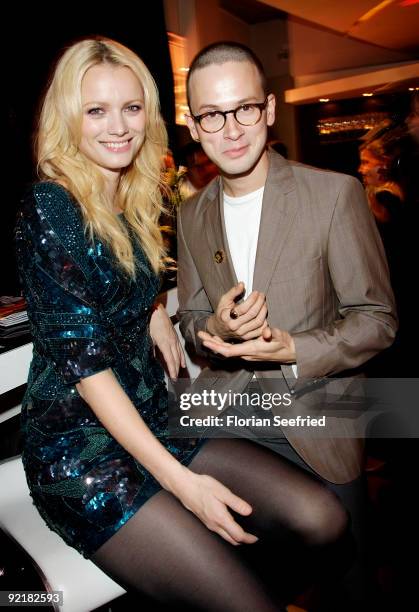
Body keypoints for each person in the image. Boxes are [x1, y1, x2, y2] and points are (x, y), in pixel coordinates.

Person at [14, 37, 350, 612]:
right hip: (83, 449)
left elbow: (116, 278)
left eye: (132, 107)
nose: (118, 126)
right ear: (69, 117)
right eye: (96, 110)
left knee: (323, 518)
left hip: (153, 412)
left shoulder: (136, 192)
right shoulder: (51, 205)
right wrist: (183, 485)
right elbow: (87, 369)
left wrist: (153, 315)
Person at [178, 41, 397, 610]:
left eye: (245, 108)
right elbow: (193, 321)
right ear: (194, 126)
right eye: (212, 115)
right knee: (244, 573)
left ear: (270, 109)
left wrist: (293, 348)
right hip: (232, 420)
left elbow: (377, 320)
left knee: (351, 582)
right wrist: (219, 329)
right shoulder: (191, 213)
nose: (231, 129)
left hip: (320, 418)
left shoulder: (334, 195)